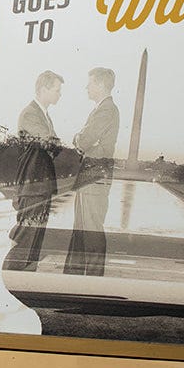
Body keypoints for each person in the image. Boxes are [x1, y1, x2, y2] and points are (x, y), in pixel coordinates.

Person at [3, 70, 63, 271]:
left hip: (40, 185)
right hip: (33, 184)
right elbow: (51, 143)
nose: (59, 94)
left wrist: (53, 144)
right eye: (57, 90)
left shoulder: (43, 115)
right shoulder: (31, 114)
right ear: (44, 89)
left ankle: (24, 276)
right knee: (27, 235)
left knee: (35, 235)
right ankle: (11, 274)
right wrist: (53, 144)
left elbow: (53, 145)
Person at [63, 67, 119, 277]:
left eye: (90, 83)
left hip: (95, 174)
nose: (86, 87)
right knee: (81, 228)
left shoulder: (106, 110)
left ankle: (93, 279)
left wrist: (79, 138)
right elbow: (86, 140)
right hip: (90, 174)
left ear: (101, 85)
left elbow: (84, 140)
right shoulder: (101, 109)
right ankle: (74, 276)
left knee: (91, 229)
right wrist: (82, 139)